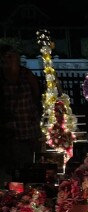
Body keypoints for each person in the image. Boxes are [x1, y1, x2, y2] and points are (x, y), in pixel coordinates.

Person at [0, 44, 43, 186]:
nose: (8, 60)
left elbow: (37, 96)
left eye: (11, 56)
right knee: (15, 162)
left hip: (29, 125)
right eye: (5, 57)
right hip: (11, 129)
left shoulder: (26, 75)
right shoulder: (2, 78)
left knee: (34, 159)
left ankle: (34, 188)